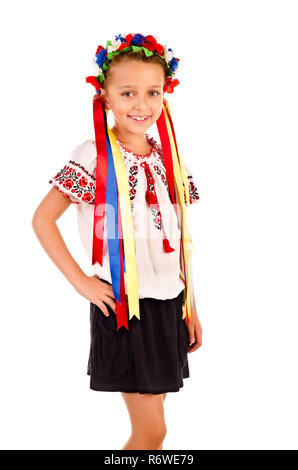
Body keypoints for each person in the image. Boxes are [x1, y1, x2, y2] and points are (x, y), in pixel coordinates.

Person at [32, 32, 202, 451]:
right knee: (153, 431)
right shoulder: (94, 157)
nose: (141, 105)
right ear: (105, 96)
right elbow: (42, 220)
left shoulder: (169, 158)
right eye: (127, 93)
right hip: (126, 306)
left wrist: (191, 305)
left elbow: (179, 239)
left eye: (152, 92)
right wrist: (83, 283)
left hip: (168, 304)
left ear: (165, 95)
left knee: (155, 428)